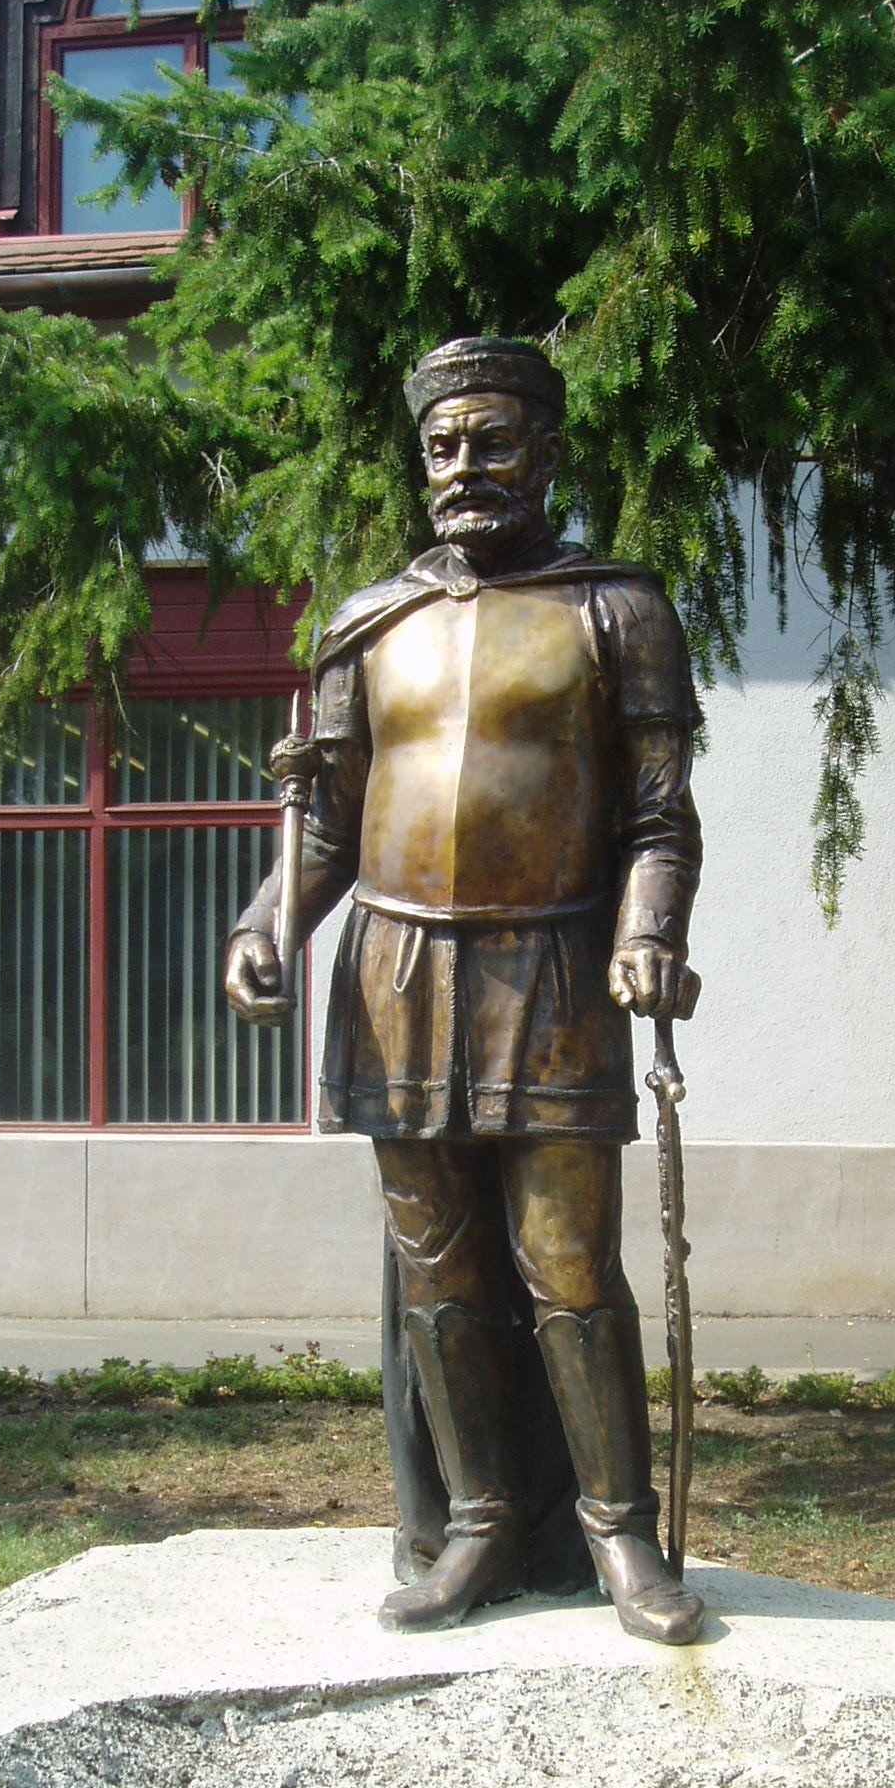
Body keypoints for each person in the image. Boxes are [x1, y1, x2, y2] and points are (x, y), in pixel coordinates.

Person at [224, 336, 704, 1646]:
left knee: (569, 1263)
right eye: (442, 445)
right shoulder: (367, 623)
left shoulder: (618, 611)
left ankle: (618, 1532)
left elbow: (659, 819)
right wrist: (267, 927)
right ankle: (479, 1521)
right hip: (395, 976)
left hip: (553, 970)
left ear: (545, 451)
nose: (464, 466)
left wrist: (647, 934)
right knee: (436, 1268)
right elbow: (325, 829)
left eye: (492, 440)